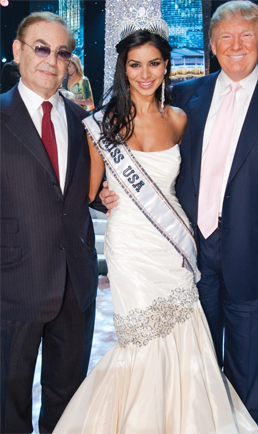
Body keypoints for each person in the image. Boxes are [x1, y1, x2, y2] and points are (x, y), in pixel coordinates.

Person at [53, 8, 258, 434]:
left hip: (173, 243)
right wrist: (103, 195)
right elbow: (90, 191)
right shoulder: (103, 123)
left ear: (166, 65)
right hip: (130, 245)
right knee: (141, 339)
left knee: (185, 331)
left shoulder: (180, 118)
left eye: (153, 63)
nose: (144, 74)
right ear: (123, 68)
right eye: (134, 64)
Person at [100, 1, 258, 432]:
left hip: (256, 259)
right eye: (225, 36)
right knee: (194, 367)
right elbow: (151, 160)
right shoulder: (187, 97)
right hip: (189, 259)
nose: (236, 45)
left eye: (247, 35)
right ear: (211, 45)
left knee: (248, 373)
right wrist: (107, 194)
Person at [1, 12, 104, 433]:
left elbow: (89, 193)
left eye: (61, 52)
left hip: (74, 286)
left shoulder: (86, 126)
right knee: (8, 403)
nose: (51, 60)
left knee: (67, 402)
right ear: (18, 51)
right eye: (41, 48)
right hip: (12, 286)